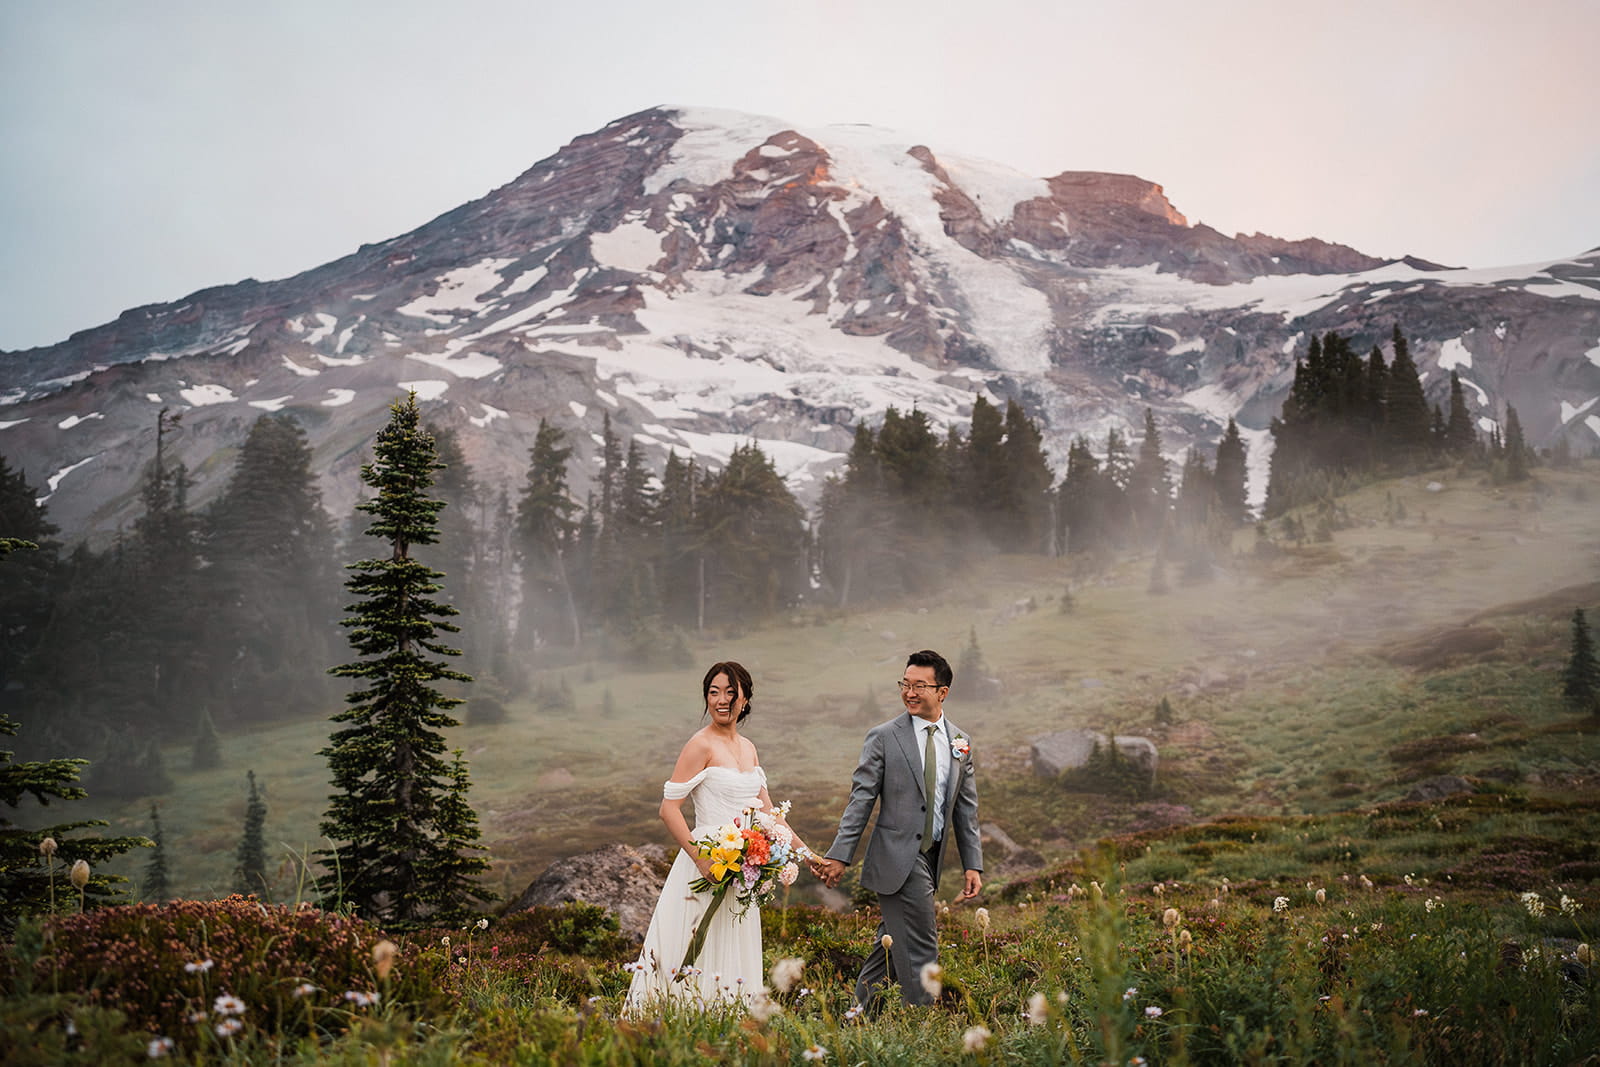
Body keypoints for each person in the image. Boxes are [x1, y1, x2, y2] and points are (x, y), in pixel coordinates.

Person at [624, 660, 812, 1013]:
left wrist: (808, 854)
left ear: (745, 700)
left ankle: (726, 1024)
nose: (721, 700)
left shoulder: (750, 748)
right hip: (705, 862)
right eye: (713, 692)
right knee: (692, 943)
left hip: (743, 869)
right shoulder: (700, 745)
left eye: (730, 692)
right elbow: (669, 809)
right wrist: (702, 858)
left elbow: (770, 814)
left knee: (731, 947)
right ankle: (672, 1021)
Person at [813, 648, 982, 1014]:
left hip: (931, 858)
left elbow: (965, 810)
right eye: (905, 684)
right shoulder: (884, 737)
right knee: (923, 945)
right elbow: (861, 800)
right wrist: (840, 855)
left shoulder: (960, 742)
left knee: (888, 950)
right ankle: (925, 1026)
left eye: (919, 685)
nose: (909, 692)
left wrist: (973, 865)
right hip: (898, 859)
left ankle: (857, 1019)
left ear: (942, 692)